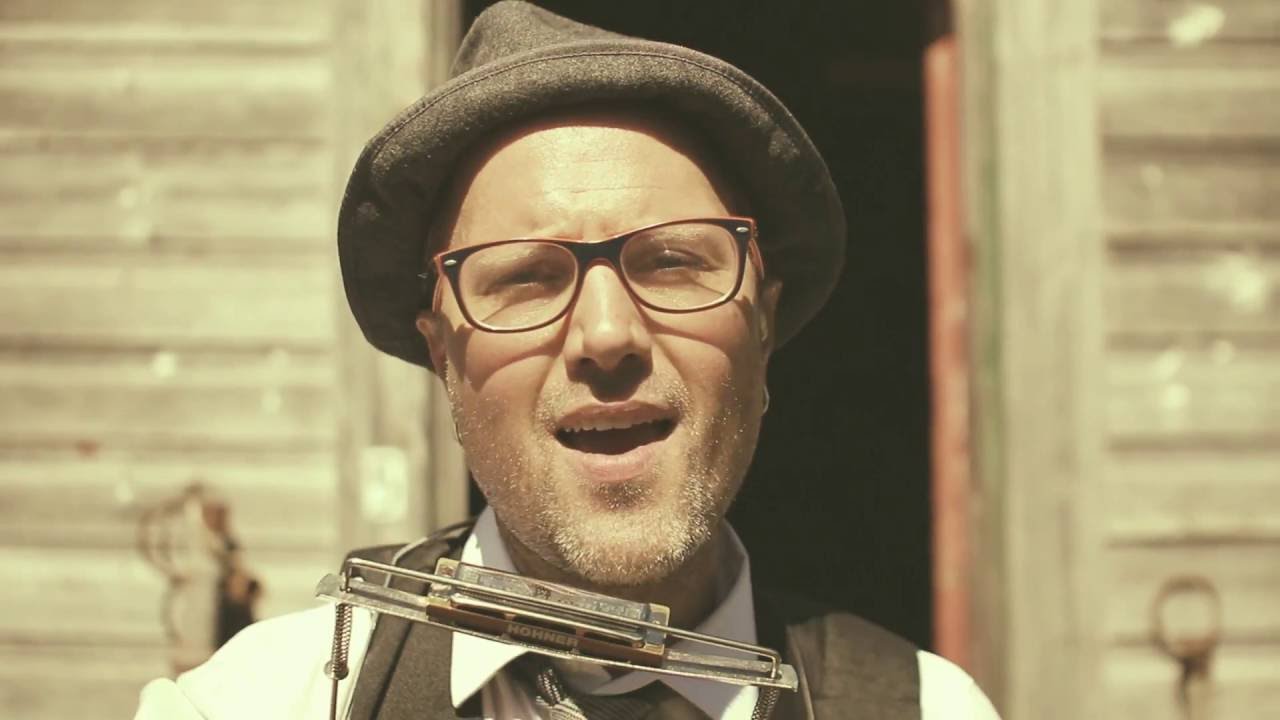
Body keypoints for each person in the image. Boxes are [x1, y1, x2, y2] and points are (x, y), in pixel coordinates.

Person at [134, 3, 1000, 718]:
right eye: (525, 277)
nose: (607, 334)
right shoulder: (255, 705)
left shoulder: (930, 710)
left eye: (672, 262)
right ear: (442, 355)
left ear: (762, 327)